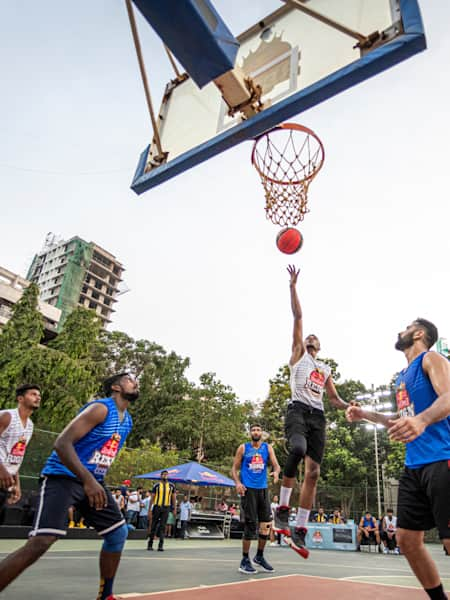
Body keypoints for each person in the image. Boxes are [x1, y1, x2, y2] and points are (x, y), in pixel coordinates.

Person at [0, 371, 139, 600]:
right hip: (63, 477)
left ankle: (106, 595)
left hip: (92, 481)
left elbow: (99, 454)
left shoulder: (128, 421)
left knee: (118, 533)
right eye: (130, 379)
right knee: (42, 541)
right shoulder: (101, 409)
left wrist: (93, 481)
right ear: (115, 387)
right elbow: (62, 443)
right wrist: (88, 481)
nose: (135, 382)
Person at [347, 318, 450, 600]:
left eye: (406, 327)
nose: (399, 330)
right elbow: (400, 420)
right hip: (414, 465)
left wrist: (422, 420)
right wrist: (365, 414)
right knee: (406, 540)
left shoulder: (432, 359)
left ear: (418, 334)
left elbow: (449, 396)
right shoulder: (401, 378)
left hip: (443, 458)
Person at [273, 265, 350, 559]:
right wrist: (293, 286)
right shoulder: (298, 354)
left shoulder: (325, 368)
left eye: (315, 338)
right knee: (296, 448)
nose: (311, 338)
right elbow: (298, 317)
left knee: (314, 472)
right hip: (297, 411)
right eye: (309, 336)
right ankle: (282, 508)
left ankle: (300, 529)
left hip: (318, 416)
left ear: (320, 345)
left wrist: (350, 407)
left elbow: (334, 399)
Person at [232, 423, 281, 574]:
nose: (256, 432)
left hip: (263, 490)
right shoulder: (243, 448)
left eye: (258, 429)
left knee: (266, 524)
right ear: (250, 433)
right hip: (248, 490)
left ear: (262, 433)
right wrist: (238, 483)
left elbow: (277, 466)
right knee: (250, 525)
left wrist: (276, 473)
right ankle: (244, 559)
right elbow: (234, 468)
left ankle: (259, 556)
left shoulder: (268, 448)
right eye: (253, 430)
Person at [0, 384, 41, 511]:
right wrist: (2, 470)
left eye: (39, 395)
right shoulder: (7, 416)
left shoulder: (30, 425)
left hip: (5, 480)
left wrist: (17, 484)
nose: (38, 398)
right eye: (33, 394)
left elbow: (17, 454)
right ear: (20, 399)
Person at [147, 470, 176, 552]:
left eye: (166, 474)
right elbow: (152, 498)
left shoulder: (171, 486)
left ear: (168, 476)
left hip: (166, 508)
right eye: (163, 474)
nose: (165, 476)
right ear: (161, 476)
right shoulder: (156, 485)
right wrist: (149, 510)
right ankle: (150, 544)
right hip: (157, 507)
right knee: (153, 525)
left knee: (163, 526)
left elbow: (174, 498)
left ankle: (160, 545)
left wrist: (174, 509)